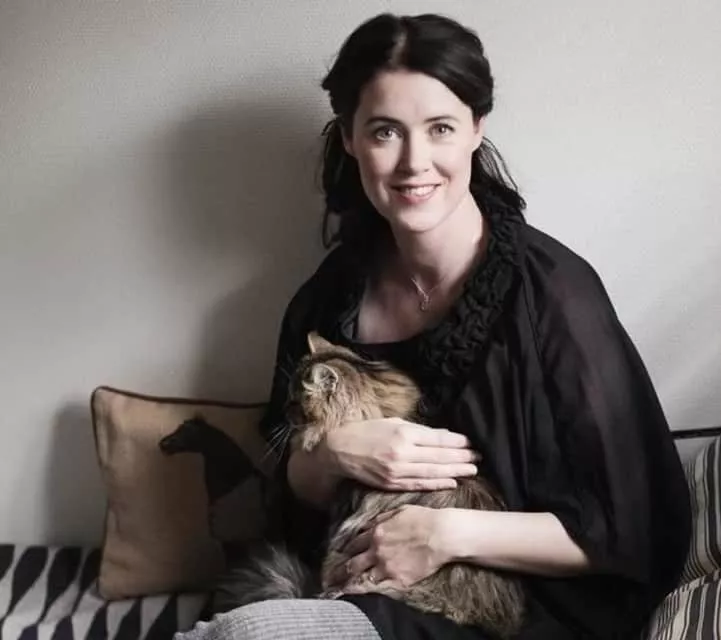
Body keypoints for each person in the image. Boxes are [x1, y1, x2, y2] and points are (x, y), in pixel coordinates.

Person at [177, 11, 691, 640]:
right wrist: (332, 455)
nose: (414, 162)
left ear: (476, 129)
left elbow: (630, 535)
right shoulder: (326, 301)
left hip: (518, 612)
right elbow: (290, 502)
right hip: (360, 586)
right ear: (349, 137)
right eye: (385, 131)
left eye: (440, 128)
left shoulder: (554, 295)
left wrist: (444, 533)